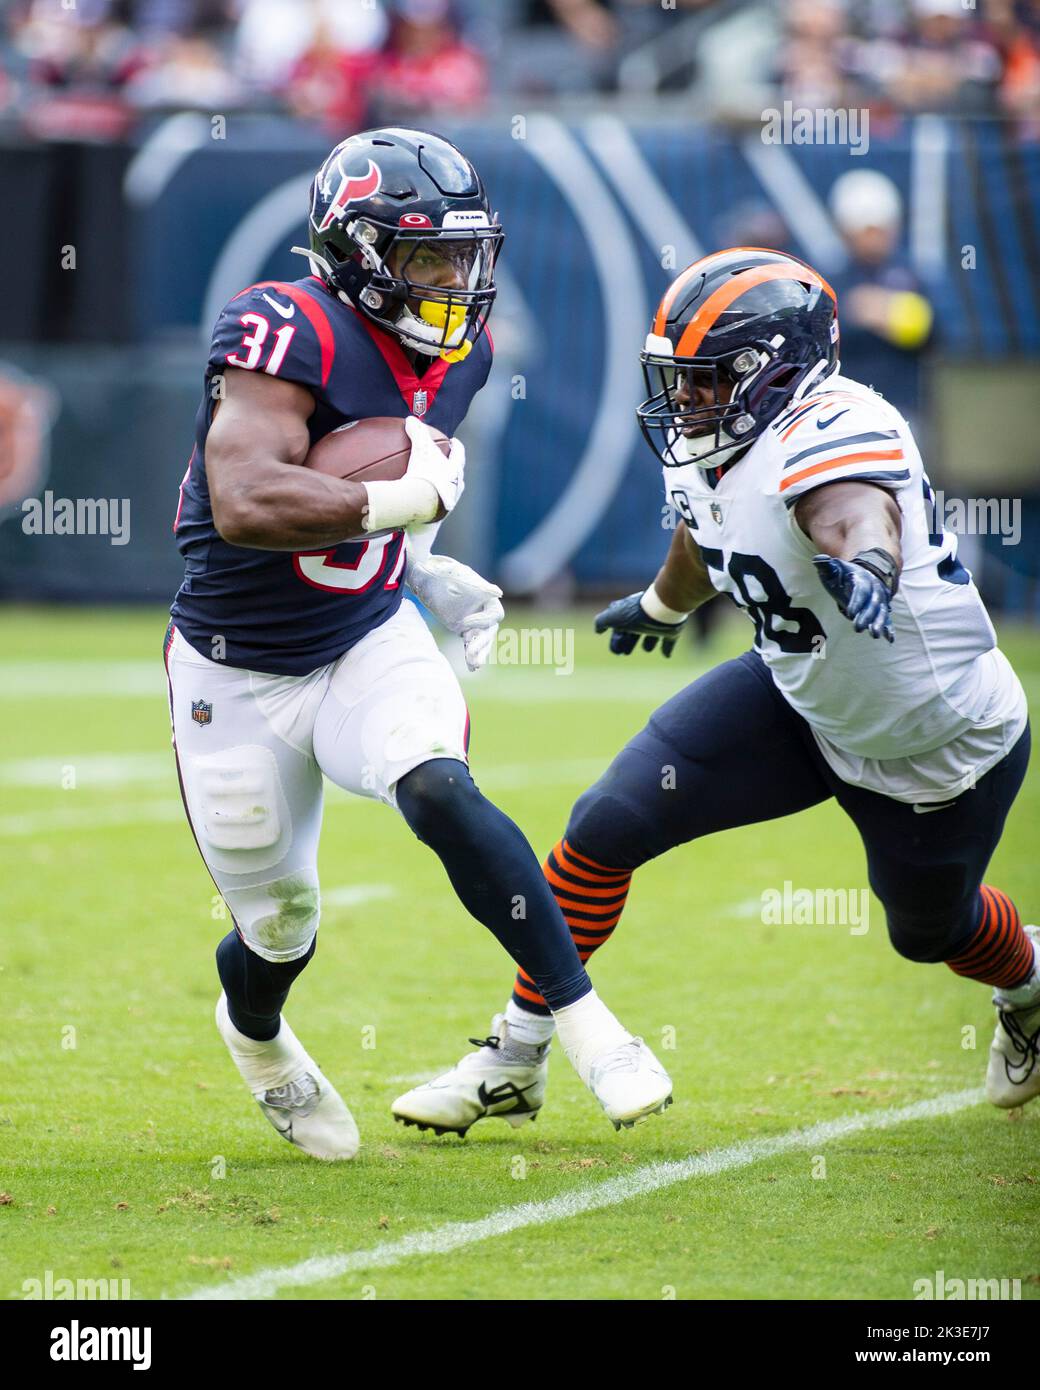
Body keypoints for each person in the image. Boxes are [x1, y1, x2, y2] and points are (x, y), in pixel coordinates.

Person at [392, 247, 1036, 1136]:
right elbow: (708, 534)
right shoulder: (713, 446)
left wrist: (872, 568)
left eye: (703, 382)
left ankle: (1030, 980)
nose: (684, 401)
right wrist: (662, 603)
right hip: (798, 695)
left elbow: (851, 510)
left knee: (931, 932)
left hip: (932, 737)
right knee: (605, 825)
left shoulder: (835, 423)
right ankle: (516, 1053)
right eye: (677, 380)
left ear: (775, 374)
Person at [165, 128, 672, 1160]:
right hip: (238, 664)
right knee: (279, 925)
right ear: (356, 254)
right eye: (424, 257)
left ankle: (585, 1027)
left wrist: (425, 565)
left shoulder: (462, 349)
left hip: (362, 636)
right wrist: (394, 504)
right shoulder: (283, 327)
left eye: (464, 255)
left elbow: (411, 471)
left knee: (437, 785)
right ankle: (256, 1036)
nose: (453, 280)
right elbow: (246, 499)